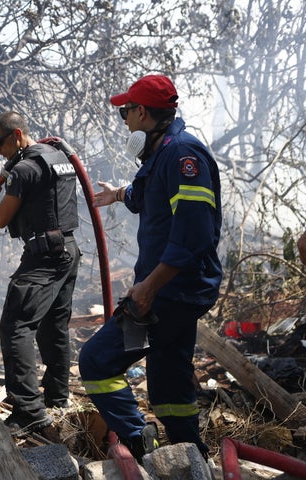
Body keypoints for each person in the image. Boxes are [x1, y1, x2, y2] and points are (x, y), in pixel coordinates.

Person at [79, 75, 223, 459]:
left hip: (170, 290)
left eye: (126, 111)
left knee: (96, 362)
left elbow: (193, 235)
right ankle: (189, 455)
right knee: (169, 378)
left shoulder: (183, 155)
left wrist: (149, 287)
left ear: (142, 111)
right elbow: (150, 192)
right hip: (175, 289)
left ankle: (144, 448)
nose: (124, 120)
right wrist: (118, 194)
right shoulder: (165, 152)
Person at [0, 111, 80, 436]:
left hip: (43, 256)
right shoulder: (58, 156)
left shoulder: (23, 169)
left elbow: (1, 219)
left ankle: (29, 410)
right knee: (54, 327)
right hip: (68, 250)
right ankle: (57, 399)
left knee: (16, 326)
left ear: (17, 134)